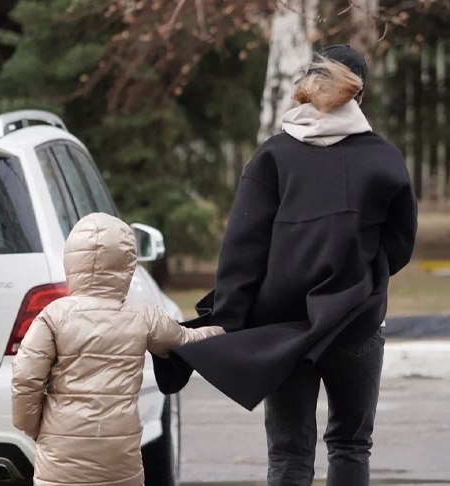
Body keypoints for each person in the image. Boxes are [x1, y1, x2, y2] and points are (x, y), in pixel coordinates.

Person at [155, 45, 418, 486]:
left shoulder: (273, 156)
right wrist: (363, 279)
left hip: (284, 332)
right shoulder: (384, 158)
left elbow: (243, 250)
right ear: (360, 95)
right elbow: (400, 245)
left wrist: (228, 320)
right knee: (351, 445)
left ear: (308, 87)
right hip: (357, 323)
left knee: (290, 455)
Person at [11, 212, 224, 486]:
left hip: (60, 460)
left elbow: (25, 378)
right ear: (127, 264)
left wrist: (32, 427)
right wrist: (225, 330)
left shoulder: (53, 316)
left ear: (72, 260)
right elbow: (186, 340)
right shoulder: (143, 316)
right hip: (120, 457)